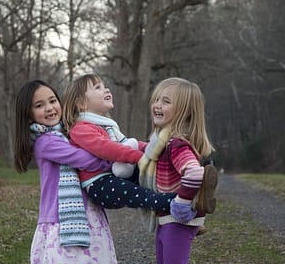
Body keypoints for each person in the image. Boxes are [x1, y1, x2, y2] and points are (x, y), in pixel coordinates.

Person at [14, 79, 117, 264]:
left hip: (87, 215)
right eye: (39, 105)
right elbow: (85, 160)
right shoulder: (47, 142)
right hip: (63, 219)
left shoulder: (66, 133)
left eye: (52, 100)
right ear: (29, 114)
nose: (49, 108)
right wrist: (111, 158)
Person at [138, 77, 218, 264]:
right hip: (166, 219)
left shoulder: (177, 144)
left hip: (178, 220)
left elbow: (195, 173)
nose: (157, 105)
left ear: (184, 111)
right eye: (157, 99)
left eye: (166, 101)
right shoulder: (161, 141)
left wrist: (183, 202)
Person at [61, 74, 193, 221]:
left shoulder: (107, 125)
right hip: (99, 185)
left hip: (115, 175)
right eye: (98, 88)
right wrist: (139, 158)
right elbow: (107, 148)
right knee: (139, 194)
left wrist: (156, 149)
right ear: (81, 104)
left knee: (157, 174)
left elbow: (130, 142)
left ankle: (187, 188)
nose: (106, 90)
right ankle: (173, 202)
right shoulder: (80, 128)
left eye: (104, 86)